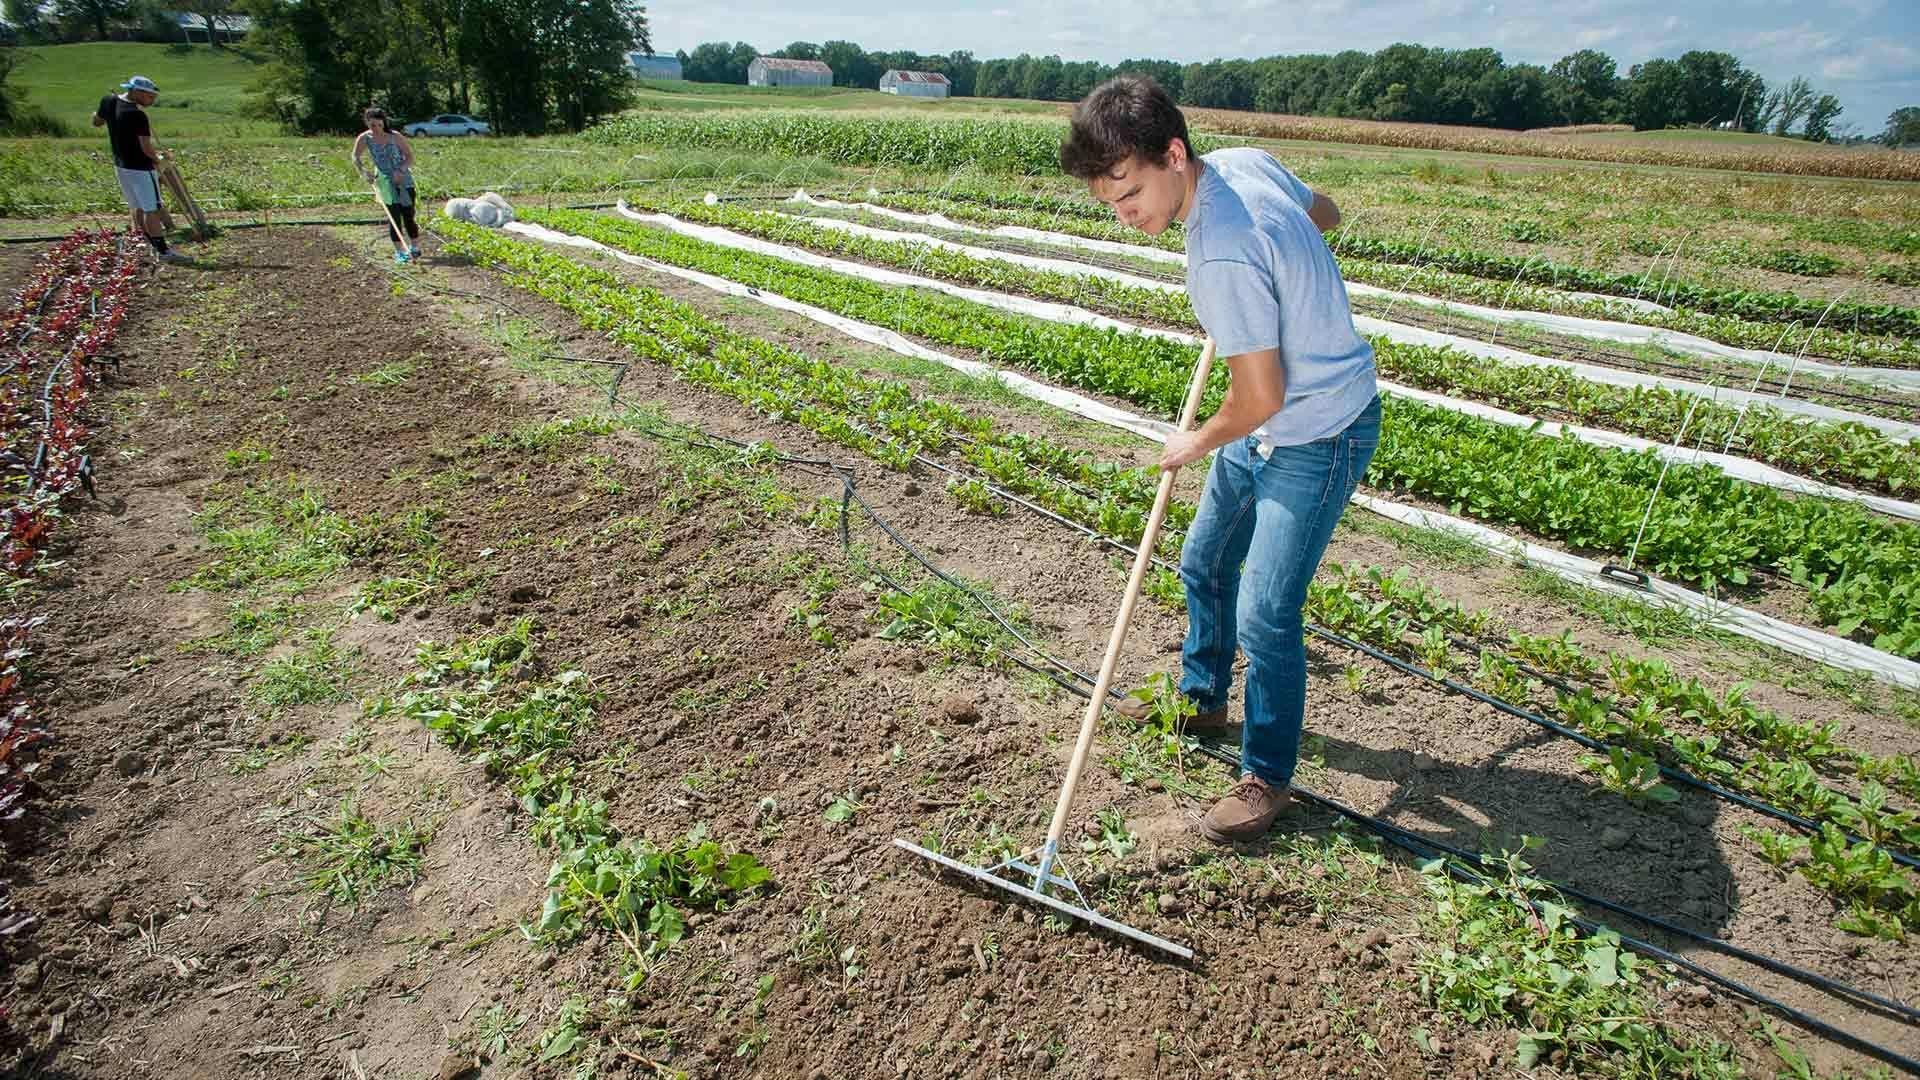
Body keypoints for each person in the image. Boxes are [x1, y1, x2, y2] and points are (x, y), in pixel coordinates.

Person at [1060, 76, 1381, 844]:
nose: (1125, 214)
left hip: (1318, 431)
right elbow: (1325, 212)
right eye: (1110, 201)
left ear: (1174, 154)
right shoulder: (1240, 161)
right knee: (1204, 561)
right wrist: (1289, 272)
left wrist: (1194, 440)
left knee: (1268, 614)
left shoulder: (1220, 256)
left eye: (1131, 193)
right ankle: (1202, 699)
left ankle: (1267, 774)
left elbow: (1261, 397)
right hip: (1271, 423)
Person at [92, 75, 189, 264]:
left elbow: (96, 122)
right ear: (136, 92)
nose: (152, 100)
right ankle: (163, 251)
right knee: (151, 209)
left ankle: (147, 244)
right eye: (150, 96)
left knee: (137, 206)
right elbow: (145, 147)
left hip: (121, 165)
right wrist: (160, 158)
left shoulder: (109, 101)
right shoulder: (137, 115)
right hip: (141, 168)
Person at [351, 107, 421, 264]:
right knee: (393, 217)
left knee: (408, 215)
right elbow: (355, 156)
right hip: (384, 182)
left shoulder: (395, 137)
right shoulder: (365, 138)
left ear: (384, 123)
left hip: (404, 180)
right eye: (372, 125)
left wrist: (401, 170)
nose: (375, 128)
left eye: (378, 125)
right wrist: (363, 171)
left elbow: (410, 157)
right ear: (367, 124)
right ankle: (400, 252)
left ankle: (415, 247)